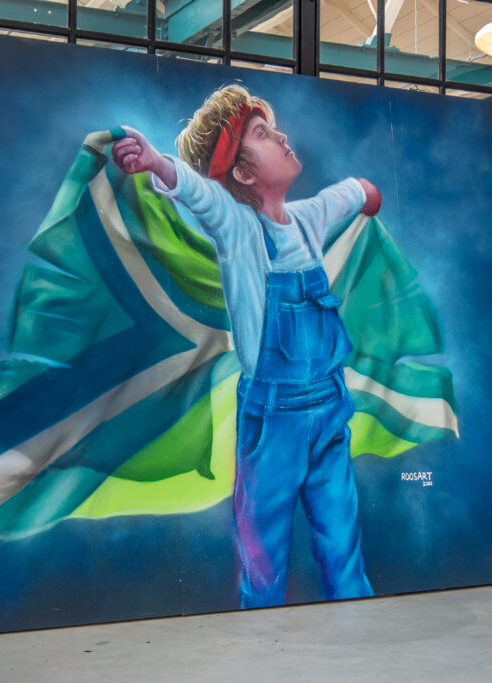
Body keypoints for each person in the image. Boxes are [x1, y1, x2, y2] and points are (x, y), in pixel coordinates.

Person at [111, 84, 381, 608]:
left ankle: (359, 639)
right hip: (272, 424)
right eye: (261, 134)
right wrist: (155, 164)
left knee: (344, 549)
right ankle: (259, 651)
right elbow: (197, 193)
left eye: (271, 127)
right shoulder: (236, 228)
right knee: (263, 566)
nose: (280, 135)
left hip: (329, 411)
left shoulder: (308, 218)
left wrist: (368, 192)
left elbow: (351, 193)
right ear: (242, 173)